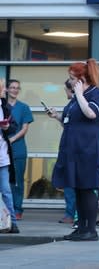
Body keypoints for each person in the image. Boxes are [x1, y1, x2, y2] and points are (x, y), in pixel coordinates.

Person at [49, 59, 99, 241]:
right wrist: (57, 116)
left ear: (82, 79)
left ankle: (90, 230)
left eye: (73, 79)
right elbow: (71, 120)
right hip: (73, 149)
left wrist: (80, 94)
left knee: (87, 188)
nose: (71, 83)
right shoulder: (76, 98)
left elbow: (91, 113)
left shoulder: (97, 95)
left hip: (88, 149)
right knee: (78, 189)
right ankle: (81, 228)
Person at [4, 79, 33, 221]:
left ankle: (17, 209)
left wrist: (12, 139)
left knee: (17, 181)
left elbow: (25, 128)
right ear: (7, 90)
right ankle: (4, 210)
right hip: (3, 150)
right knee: (4, 182)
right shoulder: (2, 106)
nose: (15, 90)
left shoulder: (24, 107)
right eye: (12, 87)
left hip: (18, 150)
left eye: (17, 88)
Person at [0, 79, 19, 234]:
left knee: (6, 190)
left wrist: (7, 127)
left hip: (2, 156)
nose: (5, 90)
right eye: (3, 87)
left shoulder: (4, 106)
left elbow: (14, 126)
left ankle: (12, 223)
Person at [58, 79, 77, 225]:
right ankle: (71, 213)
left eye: (65, 89)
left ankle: (72, 214)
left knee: (71, 182)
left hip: (73, 149)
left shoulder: (77, 105)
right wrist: (56, 116)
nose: (65, 92)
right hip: (67, 147)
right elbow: (67, 123)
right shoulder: (70, 106)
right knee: (68, 181)